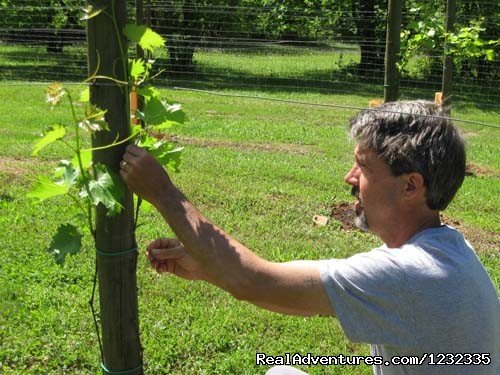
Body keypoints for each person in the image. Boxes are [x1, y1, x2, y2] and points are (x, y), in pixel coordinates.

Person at [120, 100, 499, 375]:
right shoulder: (447, 250)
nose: (349, 178)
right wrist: (208, 266)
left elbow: (255, 281)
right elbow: (280, 286)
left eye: (363, 167)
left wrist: (163, 193)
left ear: (411, 186)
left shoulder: (408, 275)